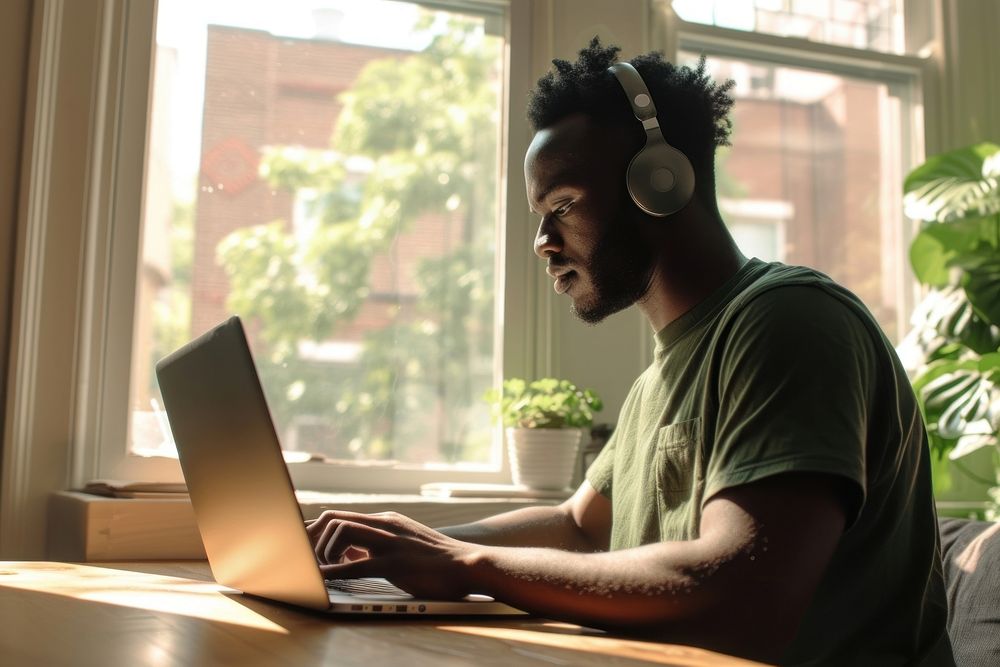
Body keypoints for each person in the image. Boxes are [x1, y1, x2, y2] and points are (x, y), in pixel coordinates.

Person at [307, 39, 954, 666]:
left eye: (562, 205)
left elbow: (745, 598)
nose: (542, 241)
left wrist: (470, 565)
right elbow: (580, 525)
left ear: (659, 181)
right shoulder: (659, 378)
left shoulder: (791, 321)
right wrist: (404, 546)